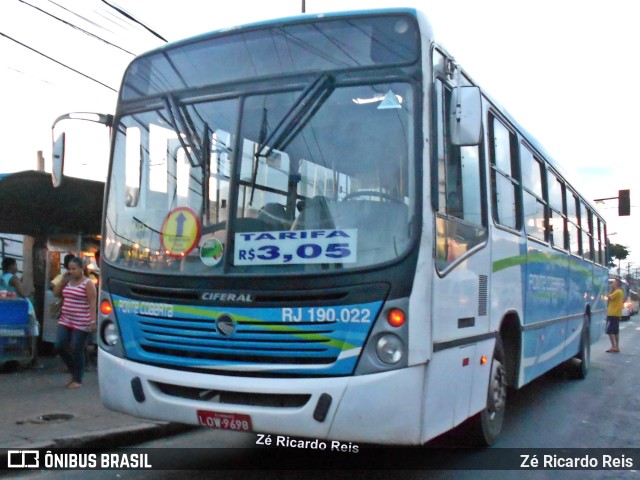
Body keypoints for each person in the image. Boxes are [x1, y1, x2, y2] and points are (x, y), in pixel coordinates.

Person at [52, 256, 97, 388]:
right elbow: (56, 293)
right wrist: (63, 281)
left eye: (74, 269)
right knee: (59, 345)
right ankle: (74, 370)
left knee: (77, 348)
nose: (71, 271)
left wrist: (93, 321)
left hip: (81, 321)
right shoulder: (68, 281)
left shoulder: (88, 283)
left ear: (81, 268)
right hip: (65, 319)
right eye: (69, 269)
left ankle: (78, 379)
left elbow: (92, 303)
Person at [1, 257, 43, 368]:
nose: (17, 267)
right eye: (15, 265)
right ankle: (35, 361)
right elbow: (23, 293)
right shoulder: (13, 278)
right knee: (33, 333)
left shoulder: (2, 278)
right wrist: (32, 291)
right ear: (11, 266)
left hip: (9, 310)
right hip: (24, 308)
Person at [606, 278, 624, 353]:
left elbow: (608, 298)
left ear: (617, 284)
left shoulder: (617, 292)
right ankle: (616, 347)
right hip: (616, 313)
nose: (612, 283)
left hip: (612, 313)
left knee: (609, 331)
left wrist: (610, 290)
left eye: (614, 282)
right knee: (615, 331)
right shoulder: (620, 292)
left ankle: (614, 346)